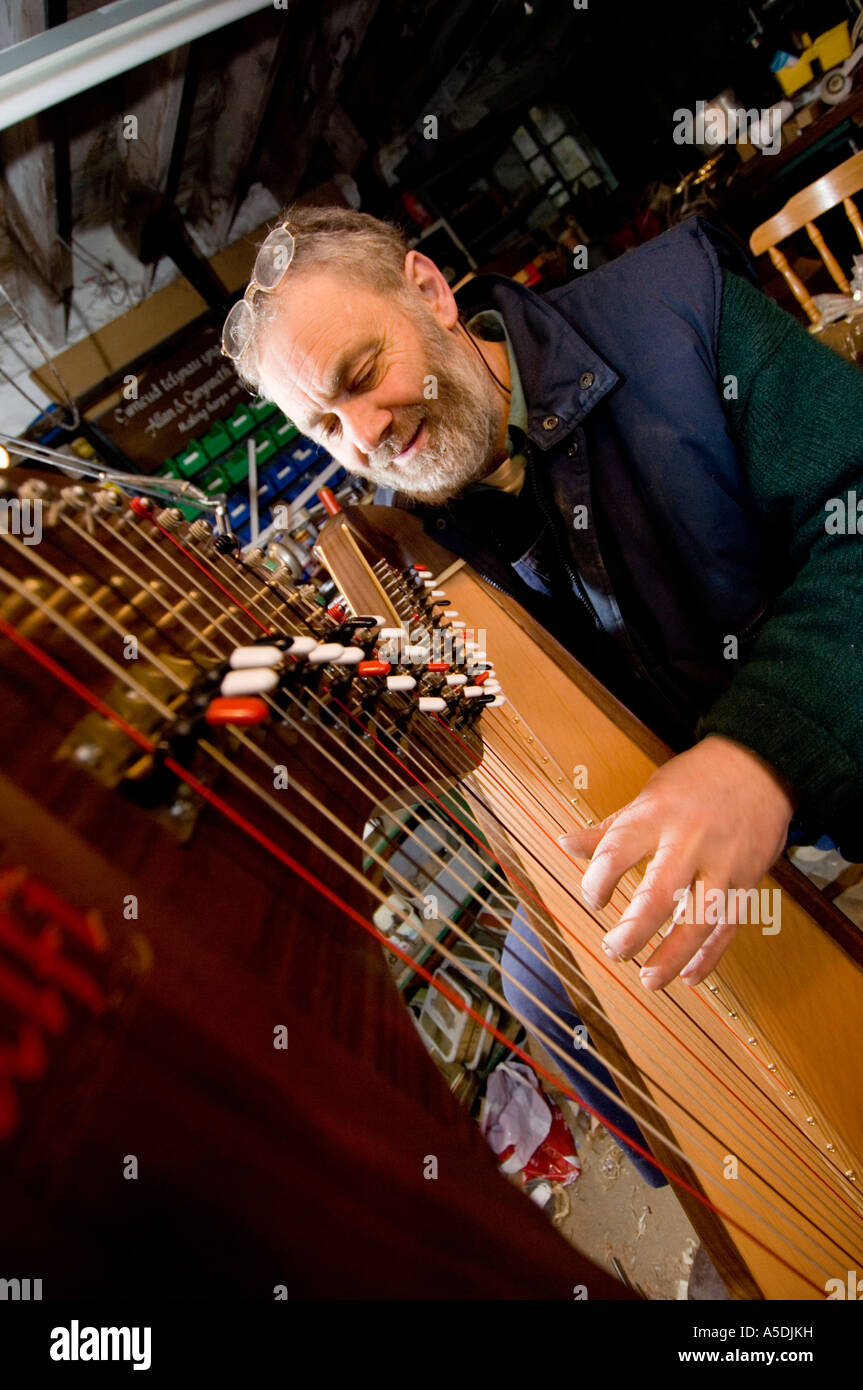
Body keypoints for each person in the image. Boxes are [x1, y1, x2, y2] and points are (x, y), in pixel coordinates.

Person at [222, 204, 862, 1182]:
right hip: (680, 786)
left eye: (360, 375)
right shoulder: (430, 538)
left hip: (828, 709)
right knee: (541, 980)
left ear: (429, 292)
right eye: (323, 424)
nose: (366, 437)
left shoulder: (673, 318)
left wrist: (755, 758)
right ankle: (745, 1221)